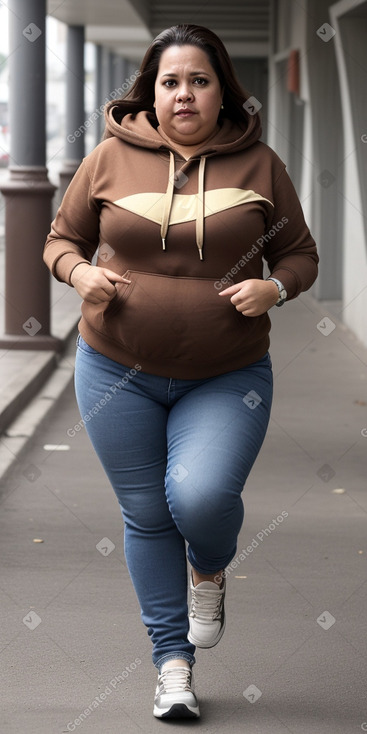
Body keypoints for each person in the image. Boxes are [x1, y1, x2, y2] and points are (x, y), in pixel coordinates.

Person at [43, 24, 318, 719]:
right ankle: (172, 664)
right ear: (151, 91)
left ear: (222, 90)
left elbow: (300, 256)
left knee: (197, 499)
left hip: (226, 376)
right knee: (145, 516)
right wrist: (80, 275)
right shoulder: (107, 158)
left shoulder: (259, 164)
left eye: (199, 80)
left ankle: (209, 566)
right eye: (170, 82)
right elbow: (60, 239)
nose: (184, 94)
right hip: (115, 371)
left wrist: (273, 290)